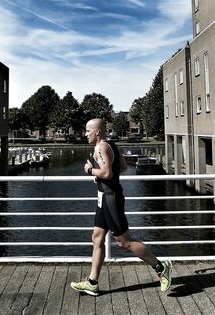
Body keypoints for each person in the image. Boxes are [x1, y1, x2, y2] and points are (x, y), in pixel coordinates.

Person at [70, 118, 173, 296]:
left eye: (88, 131)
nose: (85, 134)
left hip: (111, 199)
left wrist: (90, 170)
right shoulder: (111, 144)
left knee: (124, 242)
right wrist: (100, 176)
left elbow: (108, 172)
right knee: (97, 237)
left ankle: (161, 267)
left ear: (97, 132)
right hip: (104, 197)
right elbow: (123, 167)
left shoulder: (100, 147)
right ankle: (92, 282)